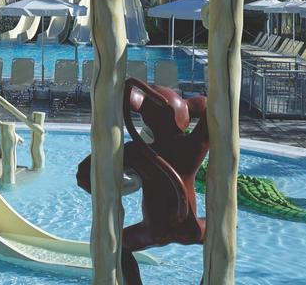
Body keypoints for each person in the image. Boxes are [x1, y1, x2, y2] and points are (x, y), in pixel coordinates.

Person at [76, 78, 208, 285]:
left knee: (120, 247)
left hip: (155, 230)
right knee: (219, 234)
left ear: (148, 120)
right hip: (189, 226)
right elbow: (214, 112)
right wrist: (191, 105)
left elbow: (83, 175)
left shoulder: (136, 152)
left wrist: (116, 186)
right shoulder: (192, 147)